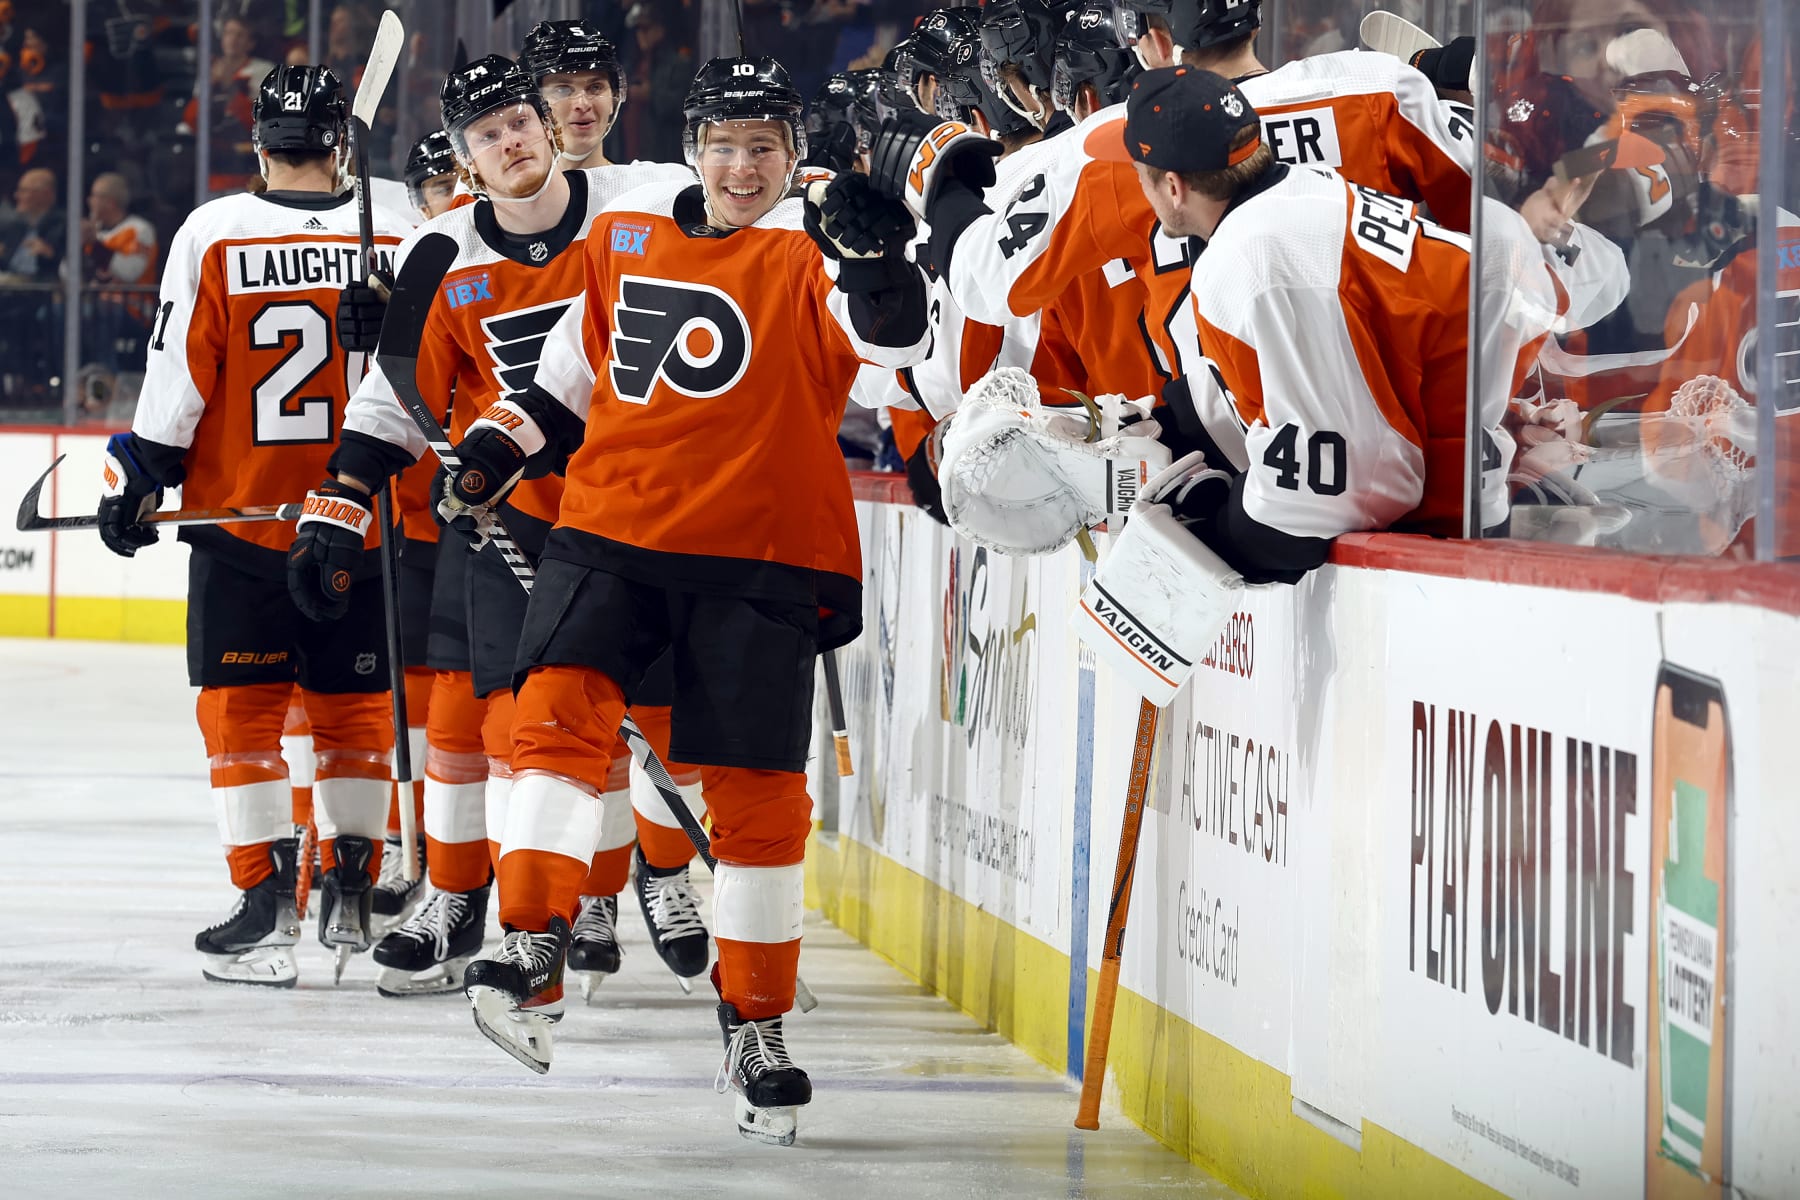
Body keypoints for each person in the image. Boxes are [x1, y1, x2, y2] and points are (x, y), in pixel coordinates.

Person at [434, 54, 926, 1143]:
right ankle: (530, 936)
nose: (741, 167)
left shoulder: (818, 252)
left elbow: (899, 358)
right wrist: (491, 448)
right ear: (692, 147)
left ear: (792, 155)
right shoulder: (624, 232)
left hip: (761, 554)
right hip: (612, 530)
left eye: (764, 147)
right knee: (554, 714)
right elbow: (564, 382)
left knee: (756, 801)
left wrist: (883, 262)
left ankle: (756, 1024)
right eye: (723, 144)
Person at [301, 50, 697, 1000]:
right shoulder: (439, 252)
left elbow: (745, 210)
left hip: (647, 510)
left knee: (660, 726)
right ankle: (467, 899)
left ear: (551, 124)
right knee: (501, 731)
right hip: (509, 519)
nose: (510, 142)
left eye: (520, 121)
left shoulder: (639, 207)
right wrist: (338, 503)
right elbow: (396, 403)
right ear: (466, 159)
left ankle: (666, 874)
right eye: (487, 136)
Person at [93, 64, 410, 988]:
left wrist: (144, 473)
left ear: (259, 141)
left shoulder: (216, 230)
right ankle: (350, 883)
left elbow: (178, 378)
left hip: (246, 519)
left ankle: (265, 909)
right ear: (340, 141)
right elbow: (447, 354)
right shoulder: (398, 221)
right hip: (364, 517)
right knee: (354, 715)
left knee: (241, 720)